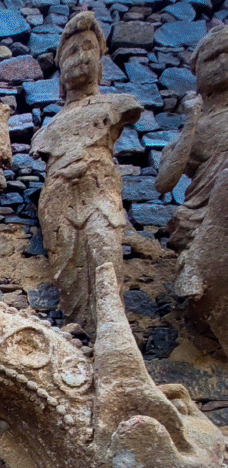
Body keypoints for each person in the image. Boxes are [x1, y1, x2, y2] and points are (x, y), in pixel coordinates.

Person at [30, 11, 142, 335]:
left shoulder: (116, 105)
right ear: (60, 70)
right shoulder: (49, 129)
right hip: (58, 200)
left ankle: (110, 332)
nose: (80, 59)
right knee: (70, 269)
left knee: (103, 248)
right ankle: (80, 328)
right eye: (71, 53)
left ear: (100, 59)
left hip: (98, 189)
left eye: (87, 49)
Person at [155, 24, 228, 355]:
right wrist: (190, 124)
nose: (224, 60)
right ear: (197, 70)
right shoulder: (199, 126)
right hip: (205, 211)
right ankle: (194, 264)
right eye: (214, 56)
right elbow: (164, 181)